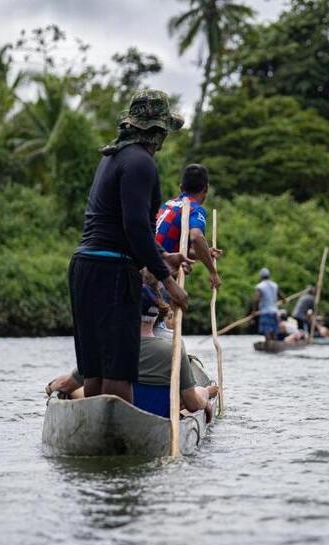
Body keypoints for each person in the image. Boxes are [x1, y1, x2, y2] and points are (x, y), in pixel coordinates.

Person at [69, 89, 192, 404]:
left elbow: (129, 227)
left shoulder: (113, 158)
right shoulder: (141, 162)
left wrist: (162, 255)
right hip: (112, 271)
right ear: (158, 133)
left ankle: (94, 428)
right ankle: (117, 431)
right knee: (118, 370)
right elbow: (135, 227)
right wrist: (168, 281)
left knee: (96, 369)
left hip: (86, 267)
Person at [46, 285, 218, 419]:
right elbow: (192, 404)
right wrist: (204, 396)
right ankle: (205, 391)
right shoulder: (174, 350)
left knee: (76, 390)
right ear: (156, 315)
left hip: (112, 418)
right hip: (157, 419)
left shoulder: (106, 347)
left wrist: (51, 387)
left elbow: (65, 385)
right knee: (193, 394)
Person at [155, 163, 223, 290]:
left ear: (181, 188)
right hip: (161, 275)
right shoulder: (194, 209)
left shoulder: (167, 205)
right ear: (206, 189)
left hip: (146, 267)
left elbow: (178, 248)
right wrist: (212, 272)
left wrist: (206, 252)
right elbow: (196, 237)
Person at [254, 268, 281, 343]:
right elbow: (280, 295)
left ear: (261, 276)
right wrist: (284, 300)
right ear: (269, 275)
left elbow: (256, 299)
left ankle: (268, 344)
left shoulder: (260, 286)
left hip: (265, 312)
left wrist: (254, 311)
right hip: (275, 312)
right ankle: (274, 345)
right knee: (274, 331)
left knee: (267, 331)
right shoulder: (275, 285)